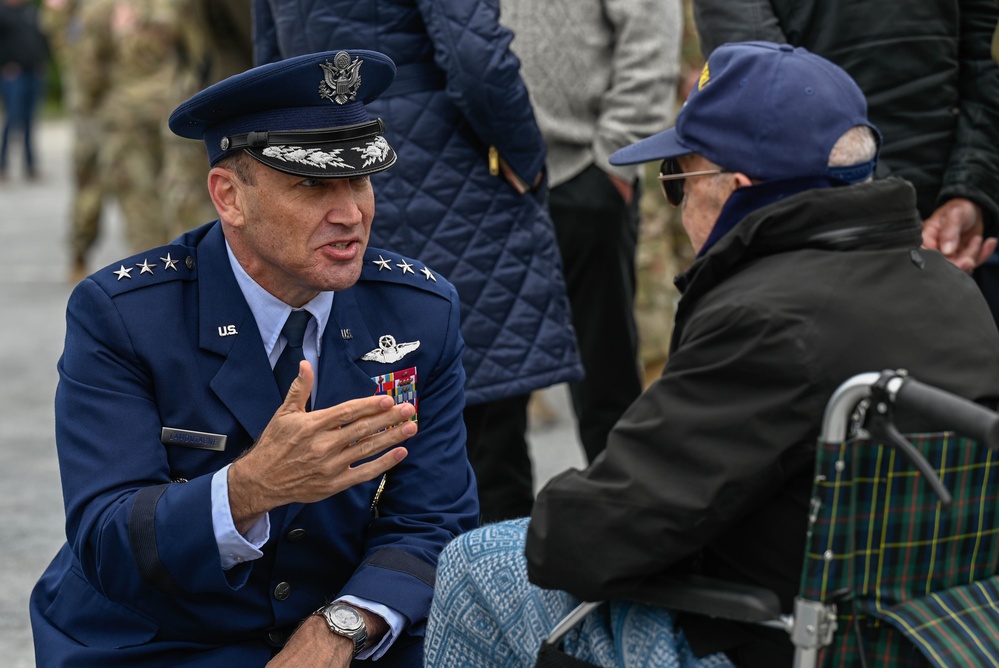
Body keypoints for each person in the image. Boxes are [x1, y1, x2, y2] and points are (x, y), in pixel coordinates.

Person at [423, 42, 999, 668]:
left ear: (739, 191)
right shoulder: (951, 286)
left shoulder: (765, 318)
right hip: (936, 633)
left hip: (777, 637)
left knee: (472, 566)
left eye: (676, 179)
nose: (675, 201)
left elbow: (590, 542)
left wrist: (569, 502)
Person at [29, 49, 478, 666]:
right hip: (164, 640)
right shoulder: (125, 315)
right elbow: (106, 541)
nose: (350, 213)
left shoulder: (419, 312)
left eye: (360, 179)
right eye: (313, 184)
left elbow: (434, 519)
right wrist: (246, 489)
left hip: (343, 632)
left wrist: (344, 626)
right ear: (229, 196)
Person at [253, 0, 584, 523]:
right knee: (485, 439)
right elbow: (477, 58)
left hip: (335, 169)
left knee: (368, 414)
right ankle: (486, 596)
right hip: (452, 173)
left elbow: (274, 69)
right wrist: (527, 158)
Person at [691, 0, 999, 325]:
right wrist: (962, 191)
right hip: (896, 229)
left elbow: (764, 84)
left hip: (857, 231)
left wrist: (967, 191)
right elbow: (765, 78)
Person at [500, 0, 682, 464]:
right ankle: (496, 537)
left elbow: (651, 33)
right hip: (487, 187)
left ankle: (622, 524)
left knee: (608, 384)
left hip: (583, 173)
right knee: (490, 404)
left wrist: (613, 161)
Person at [0, 0, 50, 182]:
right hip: (14, 75)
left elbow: (42, 38)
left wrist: (43, 62)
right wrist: (5, 64)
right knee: (12, 120)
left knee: (30, 121)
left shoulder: (31, 11)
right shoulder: (2, 12)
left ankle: (30, 166)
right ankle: (2, 166)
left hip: (33, 72)